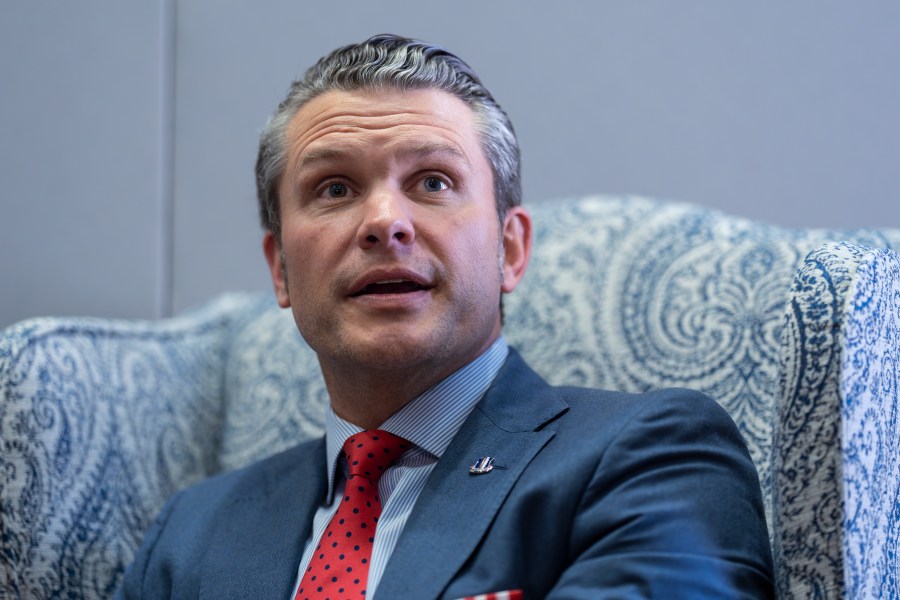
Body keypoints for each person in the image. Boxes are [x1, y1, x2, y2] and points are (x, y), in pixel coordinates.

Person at [117, 34, 774, 599]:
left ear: (509, 248)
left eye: (433, 181)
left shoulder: (650, 455)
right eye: (335, 189)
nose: (383, 223)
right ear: (281, 269)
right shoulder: (191, 532)